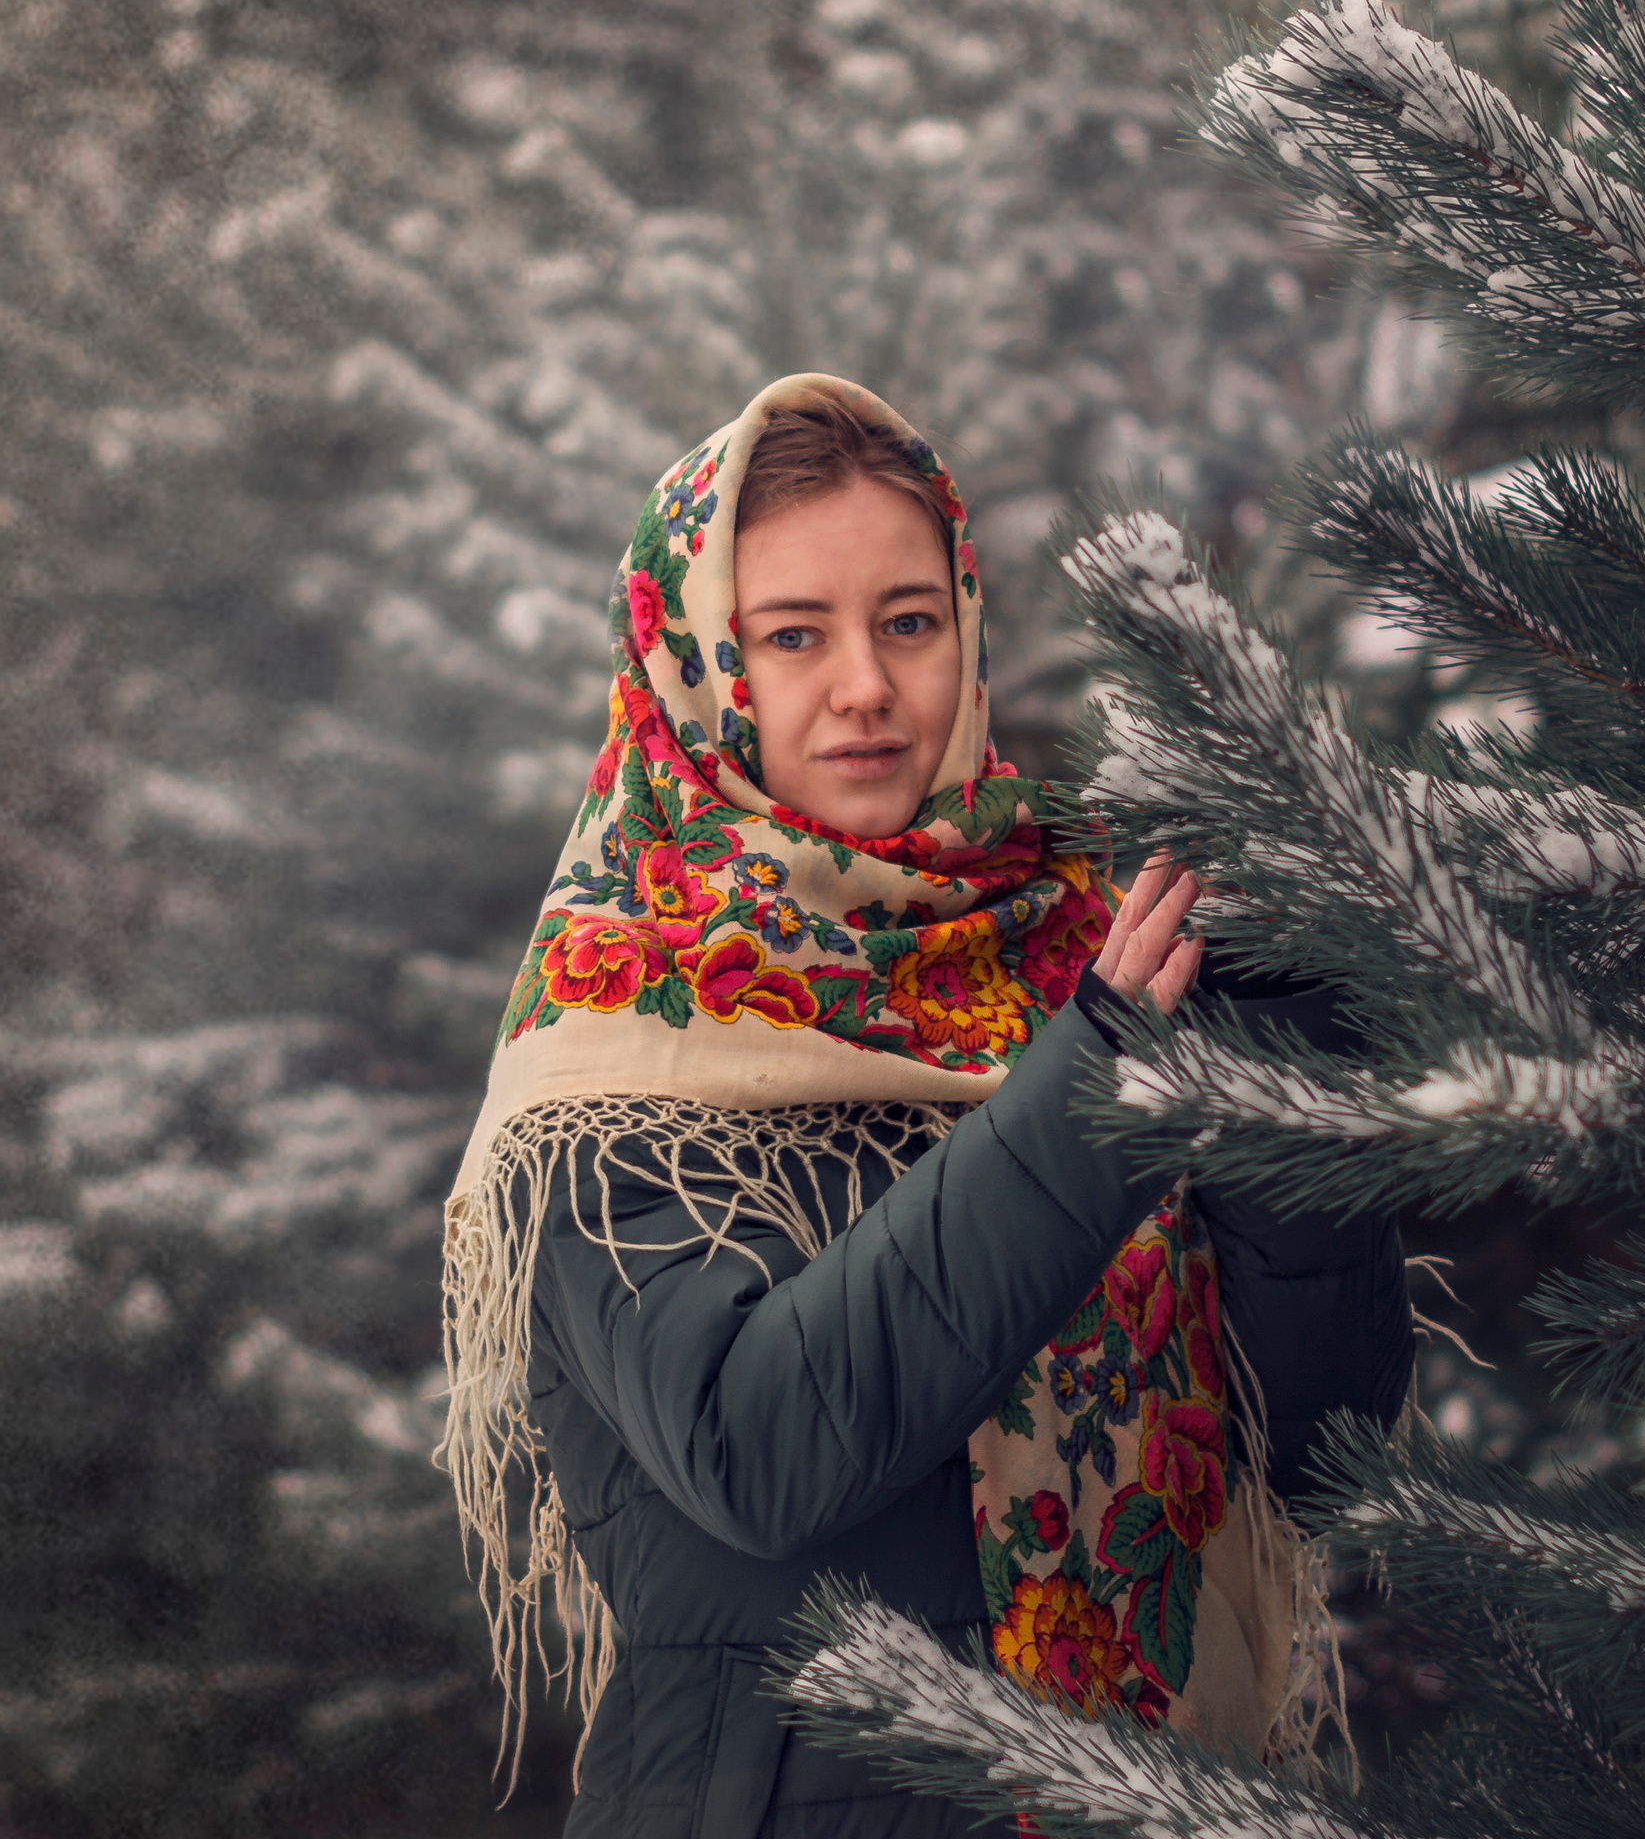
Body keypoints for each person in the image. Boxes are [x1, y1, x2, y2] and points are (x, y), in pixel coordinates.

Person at [439, 375, 1412, 1839]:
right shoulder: (611, 1040)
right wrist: (1094, 1086)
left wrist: (1287, 1087)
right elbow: (760, 1453)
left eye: (907, 621)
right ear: (693, 665)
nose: (867, 686)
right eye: (792, 635)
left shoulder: (1080, 949)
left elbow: (1322, 1452)